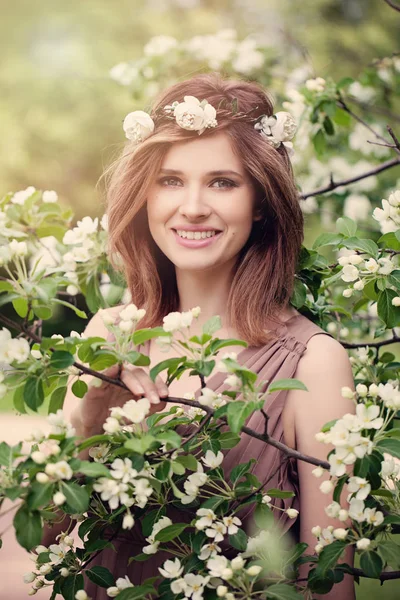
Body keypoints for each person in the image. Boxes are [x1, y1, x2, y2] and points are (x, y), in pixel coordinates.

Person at [55, 73, 355, 599]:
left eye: (222, 181)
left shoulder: (313, 364)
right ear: (144, 196)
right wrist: (91, 416)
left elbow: (330, 585)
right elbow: (52, 535)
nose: (192, 207)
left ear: (260, 202)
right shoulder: (110, 334)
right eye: (171, 180)